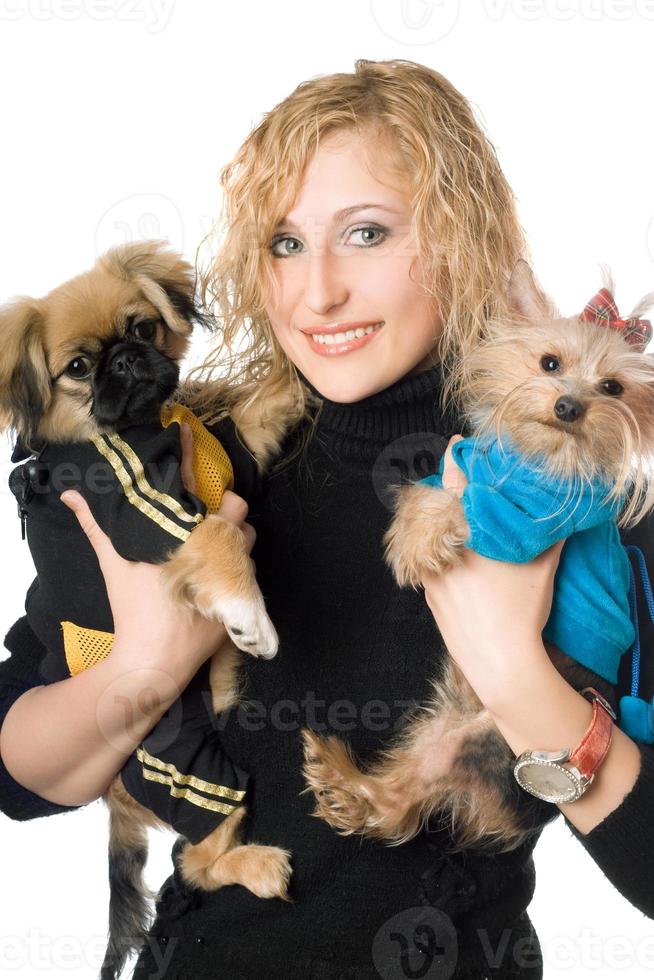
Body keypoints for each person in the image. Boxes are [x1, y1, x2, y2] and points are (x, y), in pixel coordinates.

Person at [1, 59, 653, 980]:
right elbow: (20, 775)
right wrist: (143, 672)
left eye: (367, 234)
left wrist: (514, 671)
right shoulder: (205, 458)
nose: (320, 295)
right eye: (284, 244)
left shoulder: (571, 468)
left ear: (463, 240)